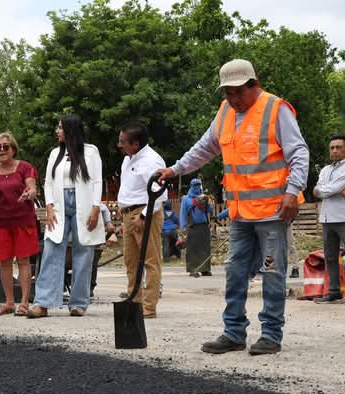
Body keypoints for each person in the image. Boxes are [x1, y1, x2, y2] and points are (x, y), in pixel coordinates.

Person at [157, 59, 310, 355]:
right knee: (235, 271)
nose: (234, 99)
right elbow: (205, 148)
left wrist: (293, 192)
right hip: (240, 213)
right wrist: (174, 169)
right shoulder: (225, 112)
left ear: (254, 85)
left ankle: (271, 334)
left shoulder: (275, 109)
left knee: (272, 272)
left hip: (273, 211)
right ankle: (234, 332)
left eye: (239, 92)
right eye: (228, 93)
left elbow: (299, 153)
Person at [26, 114, 104, 318]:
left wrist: (96, 207)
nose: (57, 131)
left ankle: (78, 303)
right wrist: (49, 207)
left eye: (60, 128)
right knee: (51, 250)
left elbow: (97, 181)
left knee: (84, 252)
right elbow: (48, 182)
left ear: (70, 130)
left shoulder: (91, 151)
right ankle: (43, 303)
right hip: (60, 206)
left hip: (84, 205)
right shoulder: (55, 153)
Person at [0, 132, 39, 316]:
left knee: (23, 261)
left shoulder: (25, 167)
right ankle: (9, 303)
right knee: (4, 262)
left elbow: (32, 188)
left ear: (13, 149)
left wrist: (29, 193)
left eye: (6, 146)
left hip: (23, 220)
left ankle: (24, 303)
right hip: (1, 222)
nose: (2, 150)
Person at [117, 121, 167, 319]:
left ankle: (148, 307)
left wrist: (144, 215)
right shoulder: (128, 159)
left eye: (123, 141)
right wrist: (123, 207)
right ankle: (134, 301)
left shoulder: (152, 161)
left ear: (135, 144)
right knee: (131, 262)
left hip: (145, 212)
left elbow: (160, 194)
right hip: (129, 213)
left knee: (150, 261)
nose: (119, 145)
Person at [313, 134, 345, 305]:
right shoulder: (325, 170)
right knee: (330, 257)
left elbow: (325, 189)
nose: (335, 150)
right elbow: (316, 191)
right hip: (328, 218)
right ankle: (334, 292)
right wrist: (338, 189)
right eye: (332, 148)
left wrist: (331, 189)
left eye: (339, 147)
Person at [180, 178, 213, 277]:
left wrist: (208, 202)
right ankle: (193, 269)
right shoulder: (186, 199)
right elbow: (182, 213)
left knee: (205, 249)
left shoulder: (204, 196)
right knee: (192, 249)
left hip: (204, 226)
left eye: (198, 185)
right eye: (195, 185)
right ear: (191, 186)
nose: (197, 187)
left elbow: (210, 210)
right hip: (192, 226)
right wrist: (183, 227)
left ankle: (205, 269)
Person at [90, 203, 117, 298]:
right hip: (79, 239)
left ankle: (90, 287)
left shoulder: (95, 202)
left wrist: (108, 223)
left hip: (95, 238)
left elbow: (104, 209)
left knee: (93, 263)